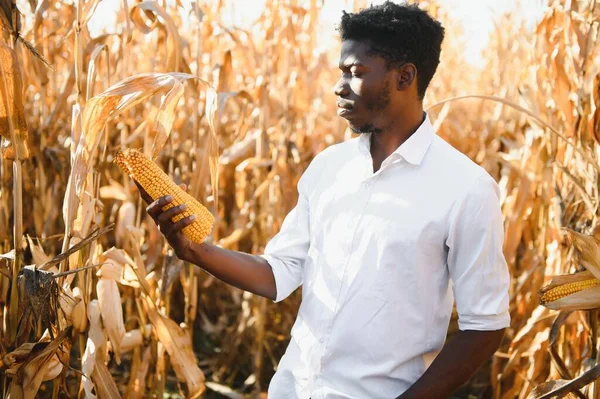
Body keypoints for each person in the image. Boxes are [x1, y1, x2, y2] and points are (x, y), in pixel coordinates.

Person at [138, 2, 510, 398]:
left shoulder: (466, 188)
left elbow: (484, 327)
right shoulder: (329, 168)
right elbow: (279, 273)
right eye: (340, 72)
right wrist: (195, 251)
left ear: (405, 77)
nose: (339, 86)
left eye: (356, 73)